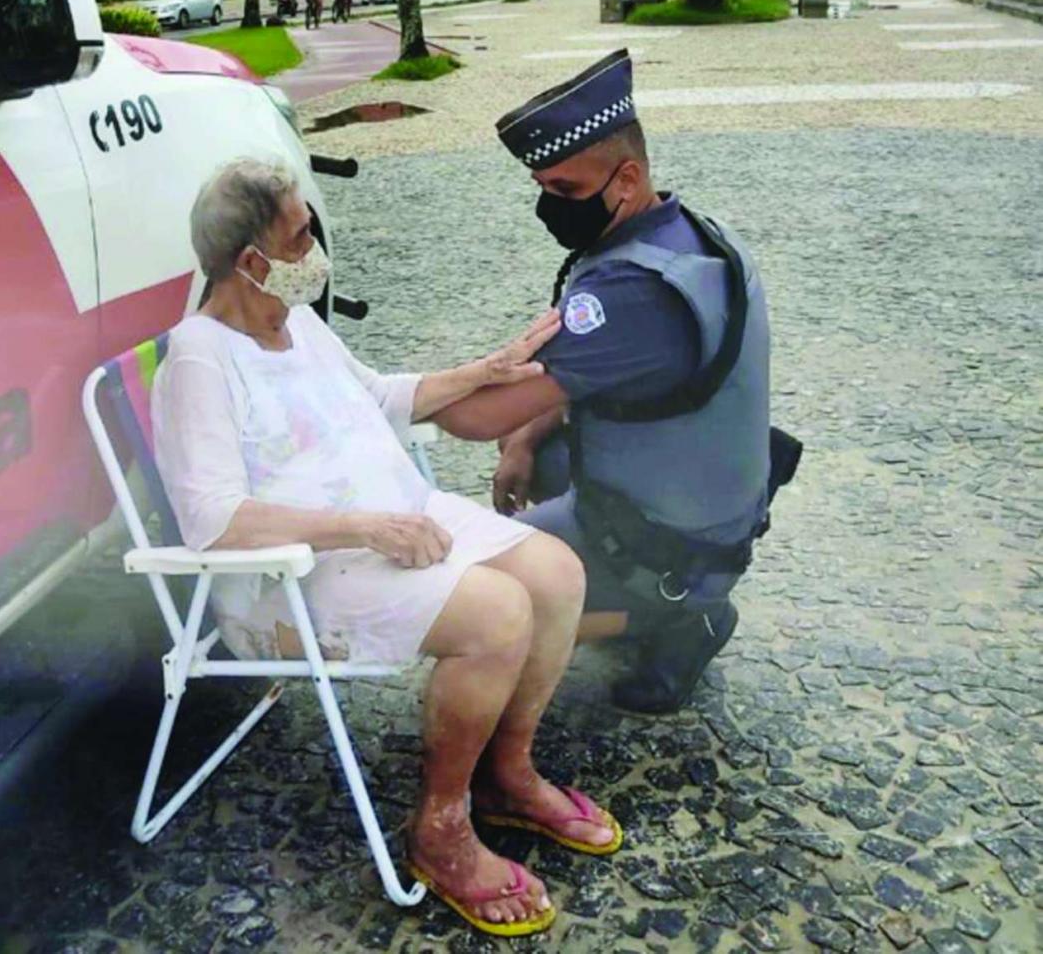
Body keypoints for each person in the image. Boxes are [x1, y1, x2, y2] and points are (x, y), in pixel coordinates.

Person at [152, 160, 621, 934]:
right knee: (498, 616)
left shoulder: (293, 321)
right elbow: (213, 519)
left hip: (392, 521)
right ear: (250, 262)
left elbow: (374, 397)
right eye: (302, 235)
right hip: (289, 576)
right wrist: (364, 528)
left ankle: (506, 773)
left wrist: (485, 369)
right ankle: (440, 828)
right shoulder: (200, 358)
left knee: (558, 574)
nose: (318, 249)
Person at [432, 50, 799, 715]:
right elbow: (577, 377)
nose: (550, 206)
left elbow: (476, 415)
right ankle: (631, 586)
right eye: (542, 188)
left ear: (626, 178)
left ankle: (681, 615)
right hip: (700, 499)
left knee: (460, 601)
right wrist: (520, 443)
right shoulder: (685, 236)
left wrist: (362, 391)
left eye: (566, 191)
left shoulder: (634, 291)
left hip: (680, 543)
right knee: (534, 449)